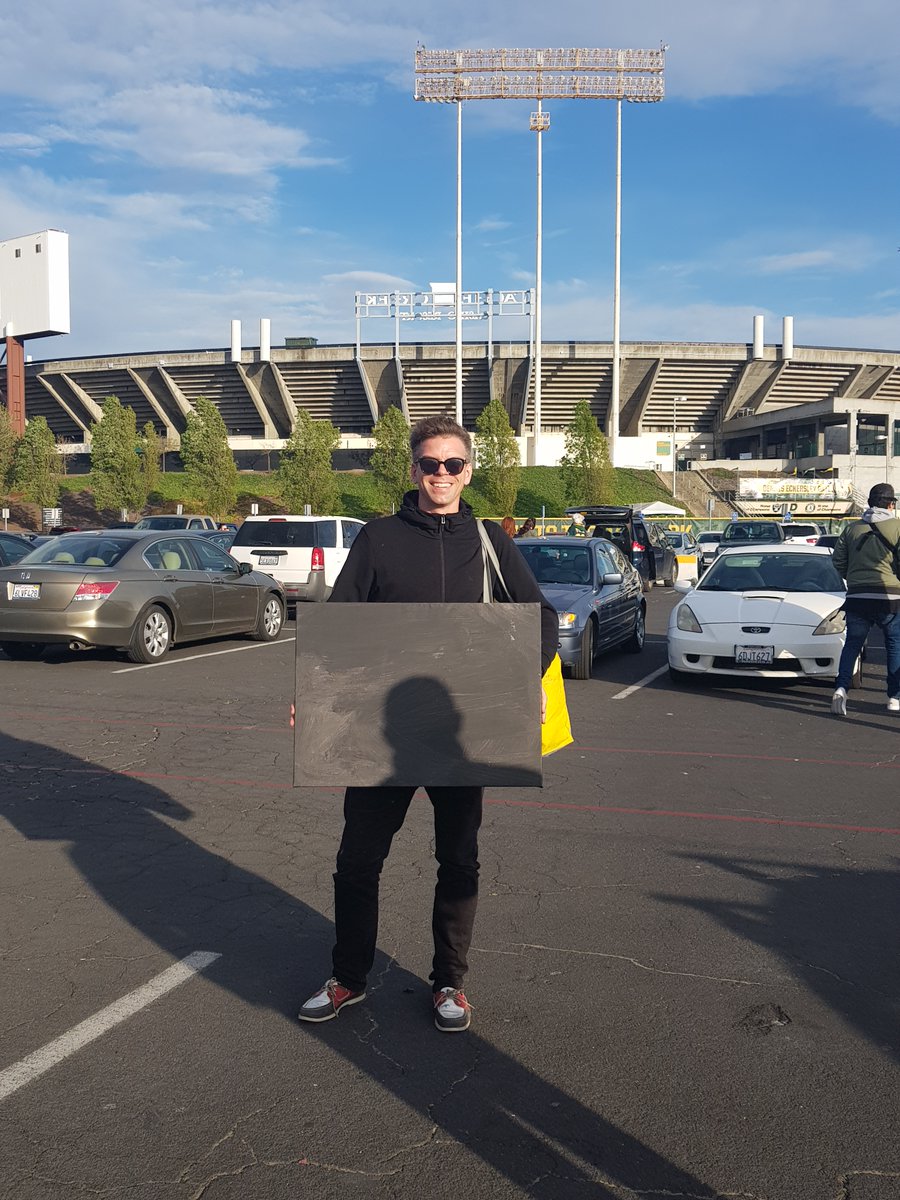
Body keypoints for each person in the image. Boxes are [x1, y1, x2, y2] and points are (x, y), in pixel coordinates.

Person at [297, 416, 558, 1032]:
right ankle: (349, 978)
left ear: (469, 471)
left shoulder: (490, 540)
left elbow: (540, 617)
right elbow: (340, 625)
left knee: (458, 861)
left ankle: (449, 983)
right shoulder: (378, 538)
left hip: (461, 731)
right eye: (430, 464)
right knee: (358, 861)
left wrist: (527, 678)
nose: (441, 475)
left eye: (453, 465)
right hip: (379, 731)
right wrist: (312, 695)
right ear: (413, 469)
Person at [831, 482, 900, 716]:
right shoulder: (898, 527)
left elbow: (838, 562)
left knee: (852, 644)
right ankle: (894, 697)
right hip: (889, 596)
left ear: (869, 503)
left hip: (857, 596)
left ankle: (841, 689)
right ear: (890, 504)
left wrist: (852, 577)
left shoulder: (851, 529)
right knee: (894, 644)